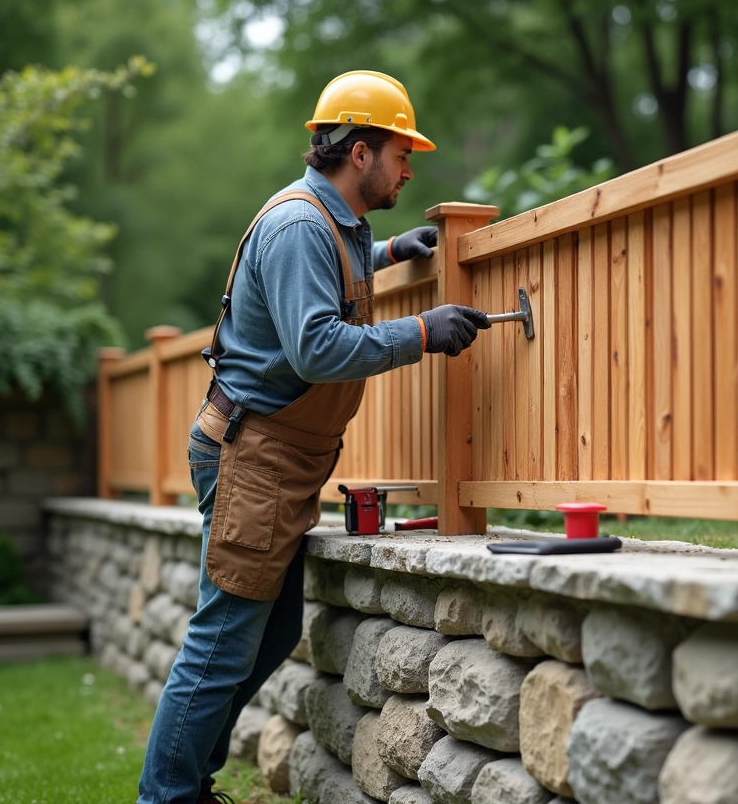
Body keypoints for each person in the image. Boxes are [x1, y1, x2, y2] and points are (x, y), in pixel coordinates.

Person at [136, 70, 490, 804]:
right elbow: (317, 347)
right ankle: (167, 796)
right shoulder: (301, 225)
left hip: (277, 454)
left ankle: (185, 785)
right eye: (401, 151)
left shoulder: (330, 222)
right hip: (254, 455)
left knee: (266, 636)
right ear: (359, 152)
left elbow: (333, 275)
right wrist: (422, 331)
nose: (409, 167)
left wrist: (390, 254)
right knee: (223, 640)